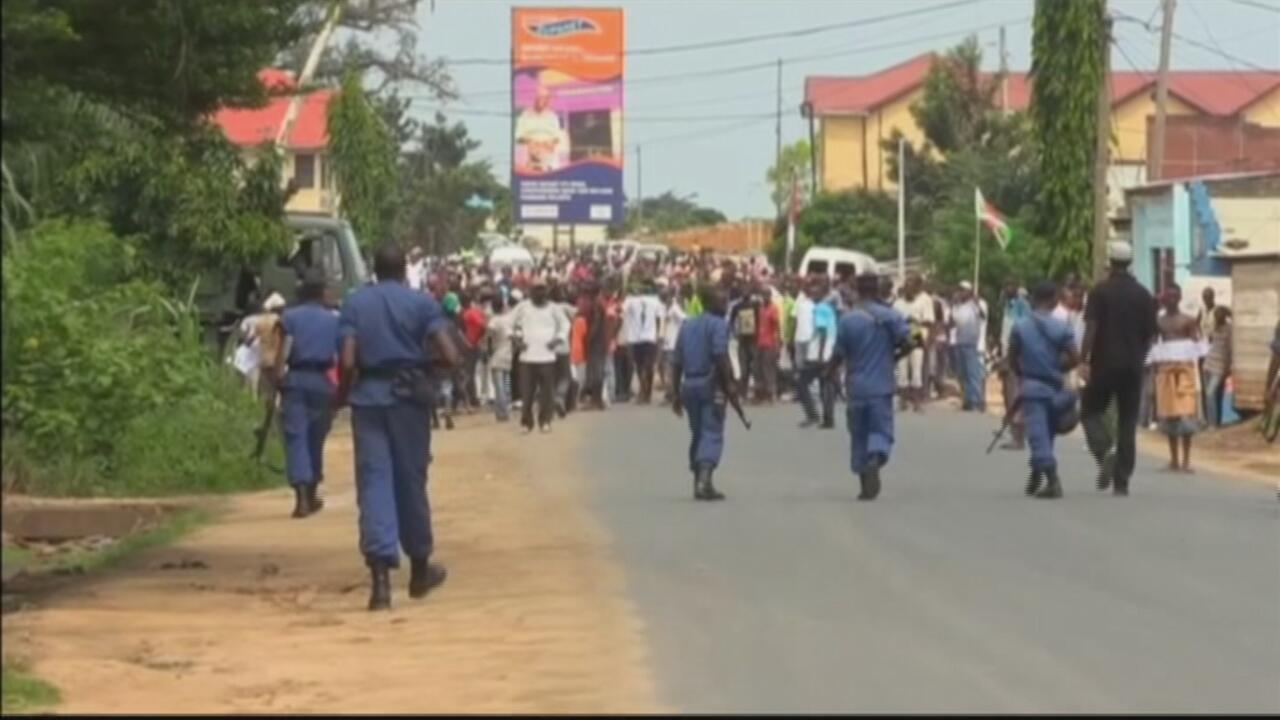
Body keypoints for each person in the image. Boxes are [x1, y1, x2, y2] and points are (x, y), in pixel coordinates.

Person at [335, 244, 460, 611]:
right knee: (411, 480)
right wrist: (427, 367)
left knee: (374, 482)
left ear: (374, 269)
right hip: (409, 401)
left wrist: (343, 395)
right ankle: (420, 569)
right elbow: (451, 355)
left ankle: (380, 583)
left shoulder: (356, 303)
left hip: (368, 400)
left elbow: (346, 360)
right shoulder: (420, 304)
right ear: (404, 270)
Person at [1080, 241, 1159, 496]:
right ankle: (1121, 481)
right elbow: (1151, 335)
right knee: (1127, 422)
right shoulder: (1144, 294)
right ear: (1130, 262)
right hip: (1133, 366)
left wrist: (1083, 359)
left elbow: (1091, 328)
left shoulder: (1099, 292)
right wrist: (1140, 357)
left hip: (1104, 364)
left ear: (1110, 262)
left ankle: (1104, 452)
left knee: (1090, 411)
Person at [827, 272, 911, 501]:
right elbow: (909, 341)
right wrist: (894, 355)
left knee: (858, 434)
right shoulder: (890, 317)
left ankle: (865, 483)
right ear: (877, 289)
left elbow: (838, 355)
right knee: (880, 431)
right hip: (881, 386)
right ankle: (876, 459)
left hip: (855, 386)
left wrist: (828, 373)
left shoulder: (847, 319)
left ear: (856, 289)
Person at [274, 270, 340, 518]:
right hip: (322, 383)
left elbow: (283, 350)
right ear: (321, 293)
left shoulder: (290, 317)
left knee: (296, 437)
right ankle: (311, 494)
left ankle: (301, 498)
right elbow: (340, 356)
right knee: (316, 439)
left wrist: (278, 377)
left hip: (296, 380)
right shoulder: (333, 319)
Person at [1008, 281, 1081, 499]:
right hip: (1056, 387)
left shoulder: (1020, 326)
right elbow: (1075, 357)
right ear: (1054, 300)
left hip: (1032, 387)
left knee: (1037, 435)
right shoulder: (1062, 327)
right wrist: (1056, 368)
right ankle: (1036, 473)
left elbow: (1013, 358)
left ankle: (1052, 480)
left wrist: (1024, 373)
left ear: (1033, 299)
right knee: (1046, 434)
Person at [671, 286, 740, 501]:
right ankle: (703, 482)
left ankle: (698, 478)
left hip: (689, 384)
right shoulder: (719, 325)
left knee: (698, 432)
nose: (726, 305)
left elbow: (676, 362)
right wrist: (729, 383)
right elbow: (720, 355)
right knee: (711, 432)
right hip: (711, 384)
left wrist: (675, 392)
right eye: (722, 301)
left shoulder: (687, 325)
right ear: (711, 303)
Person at [1151, 284, 1204, 472]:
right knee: (1170, 416)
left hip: (1184, 372)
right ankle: (1173, 460)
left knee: (1186, 416)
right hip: (1165, 372)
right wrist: (1154, 372)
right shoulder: (1159, 321)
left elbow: (1197, 345)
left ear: (1180, 297)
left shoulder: (1188, 320)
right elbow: (1154, 346)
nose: (1172, 299)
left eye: (1175, 296)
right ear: (1164, 299)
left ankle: (1186, 461)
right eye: (1168, 296)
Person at [513, 278, 566, 434]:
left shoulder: (554, 309)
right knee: (527, 393)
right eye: (536, 289)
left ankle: (545, 421)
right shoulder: (522, 307)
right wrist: (517, 339)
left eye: (542, 288)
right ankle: (526, 423)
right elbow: (511, 324)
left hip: (547, 357)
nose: (540, 292)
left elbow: (565, 325)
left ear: (547, 291)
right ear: (530, 291)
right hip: (527, 357)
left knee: (547, 393)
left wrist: (558, 339)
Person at [893, 273, 935, 413]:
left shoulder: (925, 300)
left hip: (917, 335)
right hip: (902, 336)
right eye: (907, 284)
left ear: (917, 286)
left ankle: (917, 402)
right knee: (901, 369)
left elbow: (929, 321)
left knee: (916, 370)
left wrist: (915, 322)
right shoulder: (898, 303)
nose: (908, 287)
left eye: (911, 284)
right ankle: (903, 400)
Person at [623, 281, 663, 404]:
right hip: (650, 337)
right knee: (649, 365)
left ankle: (643, 389)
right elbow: (659, 318)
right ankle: (647, 392)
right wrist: (658, 335)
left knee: (640, 365)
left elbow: (622, 310)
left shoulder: (630, 300)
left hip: (636, 337)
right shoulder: (656, 301)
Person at [952, 281, 988, 412]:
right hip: (959, 341)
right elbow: (953, 321)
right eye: (959, 290)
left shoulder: (977, 304)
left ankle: (977, 400)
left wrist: (976, 303)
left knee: (973, 373)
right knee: (963, 373)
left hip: (972, 343)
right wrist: (954, 304)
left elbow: (983, 317)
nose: (961, 293)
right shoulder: (957, 306)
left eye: (963, 290)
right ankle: (967, 399)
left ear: (969, 291)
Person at [515, 85, 566, 172]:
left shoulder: (553, 117)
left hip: (548, 156)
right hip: (530, 156)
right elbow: (518, 137)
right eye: (540, 97)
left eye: (546, 98)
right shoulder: (525, 116)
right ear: (534, 98)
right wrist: (530, 141)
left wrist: (551, 142)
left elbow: (557, 137)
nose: (543, 100)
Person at [1201, 306, 1232, 428]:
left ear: (1223, 316)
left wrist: (1229, 367)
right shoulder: (1215, 328)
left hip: (1220, 366)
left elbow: (1230, 350)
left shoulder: (1230, 329)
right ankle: (1213, 421)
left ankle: (1212, 424)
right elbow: (1208, 339)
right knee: (1214, 394)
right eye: (1215, 316)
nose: (1216, 318)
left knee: (1210, 393)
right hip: (1209, 363)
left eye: (1218, 316)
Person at [486, 295, 515, 422]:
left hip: (497, 354)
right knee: (506, 382)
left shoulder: (494, 321)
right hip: (508, 354)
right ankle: (504, 408)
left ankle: (502, 412)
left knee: (499, 385)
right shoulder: (508, 320)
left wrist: (488, 348)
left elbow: (489, 336)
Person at [730, 285, 760, 398]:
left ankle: (757, 392)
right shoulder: (737, 307)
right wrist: (735, 333)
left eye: (747, 291)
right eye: (744, 291)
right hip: (742, 340)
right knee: (744, 368)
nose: (745, 294)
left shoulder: (755, 305)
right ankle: (743, 392)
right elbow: (731, 322)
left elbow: (759, 320)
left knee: (755, 367)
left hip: (753, 340)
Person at [659, 286, 687, 403]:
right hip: (665, 343)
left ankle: (672, 393)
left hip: (673, 343)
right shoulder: (664, 308)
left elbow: (685, 319)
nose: (663, 298)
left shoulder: (675, 308)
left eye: (665, 296)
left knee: (671, 370)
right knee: (666, 369)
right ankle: (671, 392)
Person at [755, 286, 782, 403]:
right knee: (758, 368)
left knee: (769, 368)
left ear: (770, 296)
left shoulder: (773, 308)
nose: (764, 297)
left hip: (770, 342)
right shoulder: (761, 308)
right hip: (760, 341)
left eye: (766, 295)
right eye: (763, 295)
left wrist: (777, 343)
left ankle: (772, 392)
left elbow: (777, 326)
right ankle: (762, 393)